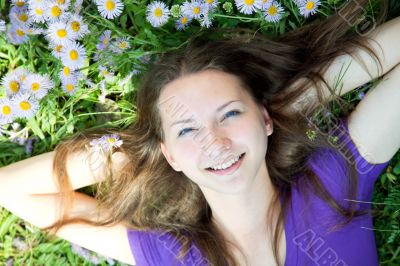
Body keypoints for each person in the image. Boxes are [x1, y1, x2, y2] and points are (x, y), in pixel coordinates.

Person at [1, 0, 400, 265]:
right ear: (169, 154)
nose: (215, 141)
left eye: (229, 114)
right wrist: (143, 151)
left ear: (264, 118)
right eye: (188, 129)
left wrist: (292, 105)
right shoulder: (174, 254)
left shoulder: (329, 186)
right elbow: (11, 189)